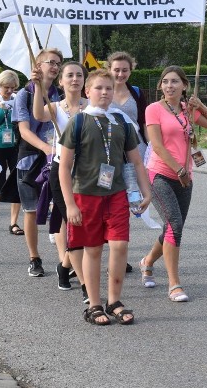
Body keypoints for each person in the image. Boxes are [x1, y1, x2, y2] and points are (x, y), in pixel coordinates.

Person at [58, 69, 152, 325]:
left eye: (108, 88)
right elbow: (64, 167)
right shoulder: (78, 122)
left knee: (120, 245)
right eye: (98, 88)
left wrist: (146, 192)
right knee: (93, 249)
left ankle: (114, 300)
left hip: (116, 194)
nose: (104, 93)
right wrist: (69, 204)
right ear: (87, 92)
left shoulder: (121, 122)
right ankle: (95, 304)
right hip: (85, 196)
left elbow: (136, 161)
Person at [138, 66, 207, 301]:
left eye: (174, 82)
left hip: (185, 177)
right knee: (174, 224)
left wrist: (201, 106)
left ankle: (147, 261)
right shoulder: (154, 109)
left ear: (184, 85)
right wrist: (179, 169)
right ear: (160, 86)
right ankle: (174, 284)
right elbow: (157, 146)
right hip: (160, 174)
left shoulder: (187, 110)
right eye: (165, 82)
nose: (169, 86)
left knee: (173, 227)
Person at [32, 61, 88, 296]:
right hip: (61, 171)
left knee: (88, 226)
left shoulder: (92, 105)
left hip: (88, 173)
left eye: (79, 75)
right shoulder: (54, 107)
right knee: (75, 225)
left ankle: (65, 267)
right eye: (70, 75)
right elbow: (37, 114)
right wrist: (37, 87)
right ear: (61, 81)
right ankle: (87, 285)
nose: (75, 79)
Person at [12, 49, 62, 277]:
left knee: (61, 208)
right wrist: (45, 149)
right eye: (49, 62)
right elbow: (23, 130)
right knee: (31, 210)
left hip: (58, 156)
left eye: (57, 63)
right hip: (32, 157)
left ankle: (65, 261)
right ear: (37, 66)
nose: (54, 66)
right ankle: (34, 258)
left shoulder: (60, 94)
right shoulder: (24, 94)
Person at [0, 70, 21, 232]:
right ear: (0, 85)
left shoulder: (17, 100)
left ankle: (13, 222)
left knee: (17, 182)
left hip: (15, 145)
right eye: (6, 87)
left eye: (12, 87)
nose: (9, 91)